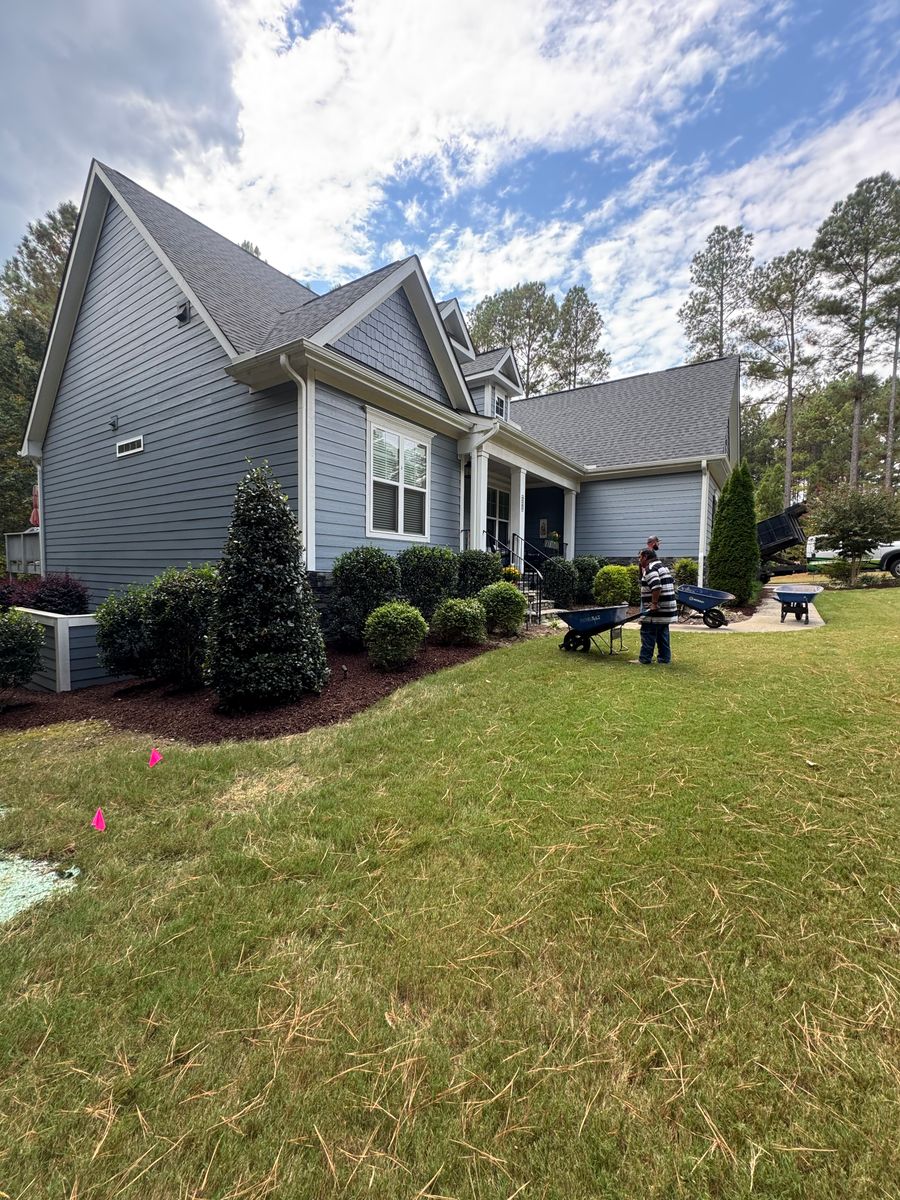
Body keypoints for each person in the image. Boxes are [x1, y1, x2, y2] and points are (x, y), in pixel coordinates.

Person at [632, 546, 676, 664]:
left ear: (645, 557)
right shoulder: (663, 567)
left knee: (647, 632)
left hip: (657, 609)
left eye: (640, 557)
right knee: (662, 633)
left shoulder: (651, 568)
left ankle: (645, 659)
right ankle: (664, 659)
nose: (639, 560)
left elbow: (656, 586)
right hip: (667, 608)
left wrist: (654, 604)